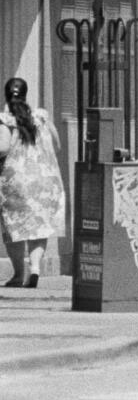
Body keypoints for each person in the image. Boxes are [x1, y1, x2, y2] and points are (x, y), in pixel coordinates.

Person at [0, 78, 66, 288]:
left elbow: (2, 148)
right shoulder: (41, 117)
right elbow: (57, 144)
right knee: (39, 227)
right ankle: (36, 269)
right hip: (46, 182)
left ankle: (19, 275)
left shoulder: (5, 120)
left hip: (16, 182)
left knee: (14, 228)